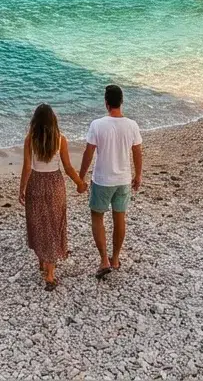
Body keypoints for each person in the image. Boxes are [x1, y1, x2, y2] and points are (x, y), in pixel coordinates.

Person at [18, 104, 87, 290]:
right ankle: (50, 274)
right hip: (55, 184)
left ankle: (43, 261)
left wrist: (22, 188)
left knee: (38, 223)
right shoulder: (60, 139)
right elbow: (68, 167)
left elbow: (26, 167)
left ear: (35, 121)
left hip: (36, 183)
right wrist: (80, 183)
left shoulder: (30, 139)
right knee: (54, 224)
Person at [78, 84, 143, 279]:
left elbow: (88, 153)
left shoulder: (97, 124)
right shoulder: (132, 125)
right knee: (119, 217)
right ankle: (115, 258)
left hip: (102, 180)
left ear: (106, 103)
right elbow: (137, 153)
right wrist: (138, 175)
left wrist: (80, 177)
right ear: (121, 102)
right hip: (123, 180)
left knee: (97, 217)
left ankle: (104, 259)